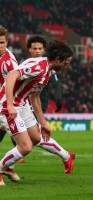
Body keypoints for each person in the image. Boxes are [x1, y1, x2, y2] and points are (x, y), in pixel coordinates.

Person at [0, 40, 74, 186]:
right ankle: (2, 168)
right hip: (6, 105)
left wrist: (43, 123)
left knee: (36, 137)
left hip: (23, 104)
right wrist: (9, 105)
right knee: (25, 147)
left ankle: (66, 156)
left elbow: (34, 96)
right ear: (58, 60)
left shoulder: (48, 71)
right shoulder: (38, 66)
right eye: (66, 63)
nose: (67, 66)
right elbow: (11, 76)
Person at [0, 26, 21, 181]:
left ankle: (7, 167)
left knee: (22, 141)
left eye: (1, 42)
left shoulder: (9, 62)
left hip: (6, 104)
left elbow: (15, 85)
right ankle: (7, 168)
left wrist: (9, 106)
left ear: (6, 42)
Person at [26, 36, 62, 112]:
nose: (37, 51)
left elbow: (56, 84)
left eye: (40, 49)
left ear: (44, 50)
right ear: (29, 49)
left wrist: (58, 99)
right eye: (35, 49)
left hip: (40, 105)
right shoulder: (24, 65)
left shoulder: (49, 67)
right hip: (23, 104)